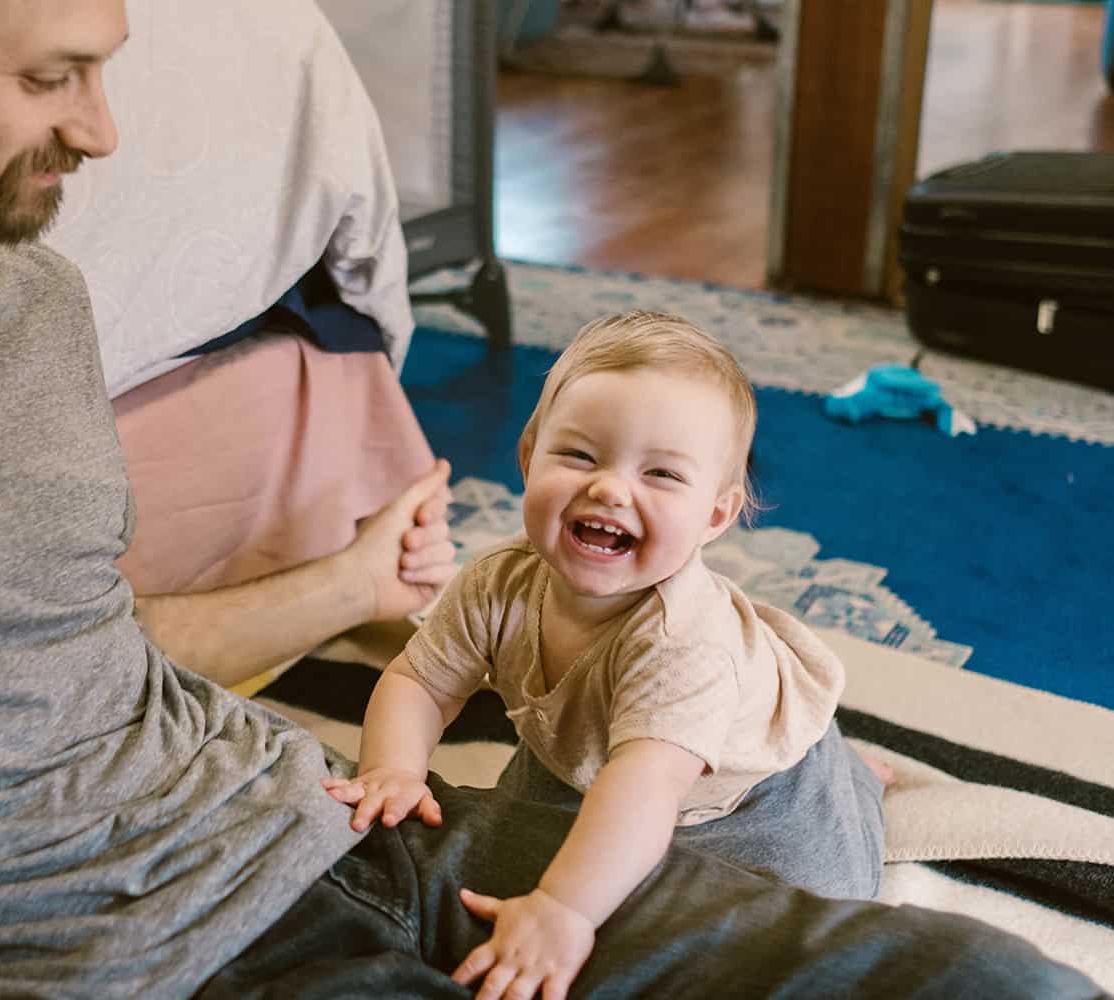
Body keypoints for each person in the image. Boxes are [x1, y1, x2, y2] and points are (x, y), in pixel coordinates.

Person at [0, 1, 1109, 998]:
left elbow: (77, 639)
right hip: (126, 970)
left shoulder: (28, 302)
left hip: (340, 832)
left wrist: (352, 587)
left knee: (1009, 991)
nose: (103, 131)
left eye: (105, 66)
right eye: (52, 76)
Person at [323, 311, 886, 992]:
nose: (610, 489)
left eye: (661, 474)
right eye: (580, 456)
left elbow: (645, 787)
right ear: (529, 458)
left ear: (714, 515)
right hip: (592, 755)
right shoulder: (496, 581)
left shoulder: (684, 642)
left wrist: (564, 910)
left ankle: (856, 782)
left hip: (749, 799)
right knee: (519, 840)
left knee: (787, 920)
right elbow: (419, 680)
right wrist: (393, 769)